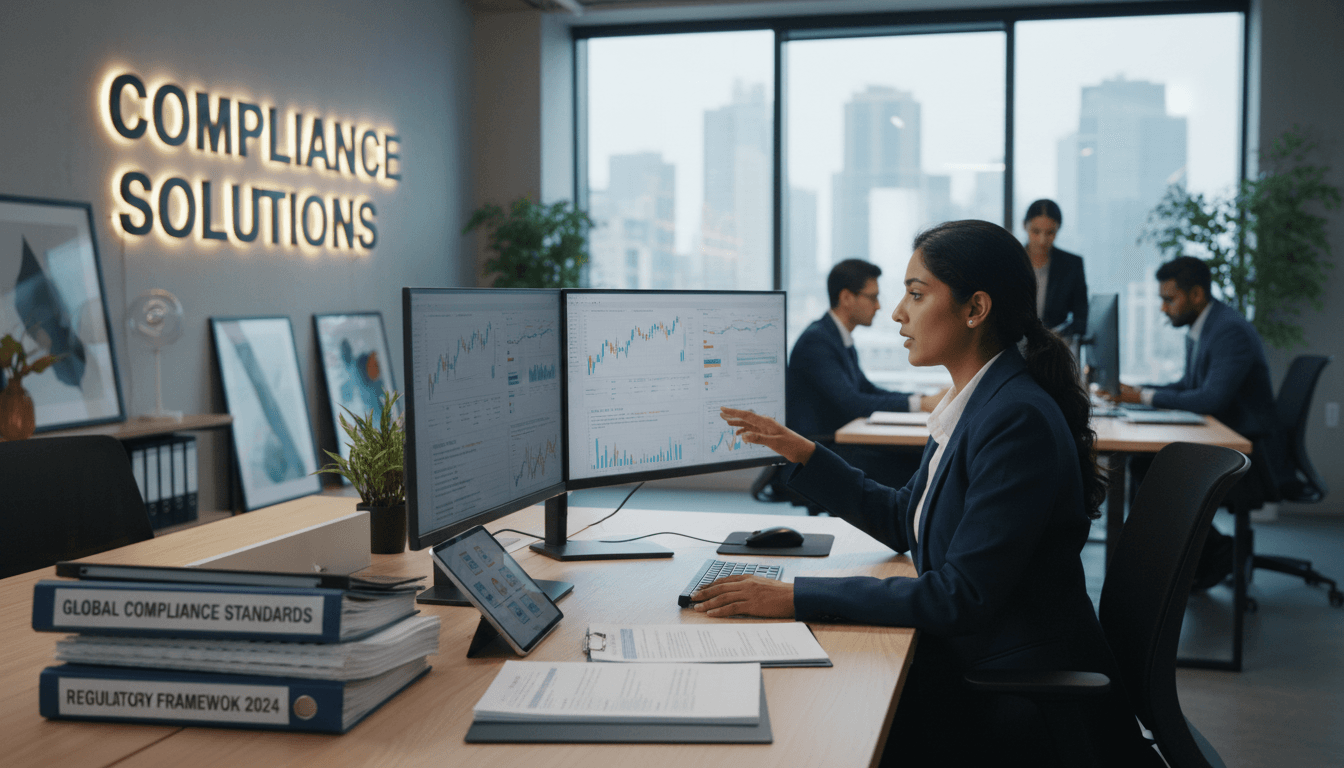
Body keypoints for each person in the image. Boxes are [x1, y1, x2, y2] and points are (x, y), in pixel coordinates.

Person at [702, 221, 1158, 765]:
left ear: (975, 309)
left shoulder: (1013, 419)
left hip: (1008, 685)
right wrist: (806, 454)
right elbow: (905, 517)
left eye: (916, 294)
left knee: (808, 721)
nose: (897, 312)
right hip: (980, 656)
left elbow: (957, 596)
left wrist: (796, 595)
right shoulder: (981, 402)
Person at [1113, 255, 1281, 588]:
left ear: (1197, 295)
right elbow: (1190, 386)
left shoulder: (1229, 331)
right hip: (1224, 438)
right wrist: (1139, 393)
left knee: (1150, 470)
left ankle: (1206, 558)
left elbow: (1209, 399)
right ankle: (1196, 562)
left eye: (1169, 299)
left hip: (1250, 452)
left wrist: (1143, 398)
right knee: (1144, 465)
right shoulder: (1205, 326)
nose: (1163, 308)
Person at [784, 259, 941, 496]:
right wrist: (920, 403)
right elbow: (853, 403)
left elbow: (866, 388)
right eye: (872, 297)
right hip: (820, 450)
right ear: (847, 297)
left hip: (837, 445)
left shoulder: (836, 337)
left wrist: (921, 399)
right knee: (916, 464)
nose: (878, 306)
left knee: (919, 458)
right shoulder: (817, 342)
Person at [1023, 199, 1088, 338]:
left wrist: (1061, 334)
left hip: (1055, 346)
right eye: (1036, 231)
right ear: (1024, 226)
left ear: (1058, 229)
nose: (1042, 240)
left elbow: (1081, 318)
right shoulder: (1009, 261)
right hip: (1013, 347)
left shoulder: (1072, 265)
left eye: (1050, 233)